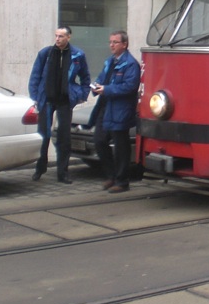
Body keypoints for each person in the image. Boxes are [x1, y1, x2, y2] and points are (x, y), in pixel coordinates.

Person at [28, 26, 91, 184]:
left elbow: (85, 77)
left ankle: (63, 173)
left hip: (64, 100)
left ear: (69, 37)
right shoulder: (46, 53)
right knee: (43, 135)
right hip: (47, 100)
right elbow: (35, 75)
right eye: (56, 36)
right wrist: (35, 96)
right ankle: (40, 168)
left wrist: (83, 95)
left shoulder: (77, 55)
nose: (57, 39)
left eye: (61, 36)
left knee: (64, 137)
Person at [90, 30, 140, 193]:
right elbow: (102, 78)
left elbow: (130, 87)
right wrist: (95, 86)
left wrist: (107, 89)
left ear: (124, 44)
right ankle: (111, 175)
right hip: (106, 106)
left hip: (120, 109)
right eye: (110, 42)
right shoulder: (109, 62)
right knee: (99, 141)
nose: (111, 45)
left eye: (115, 42)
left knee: (120, 147)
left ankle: (122, 180)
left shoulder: (131, 63)